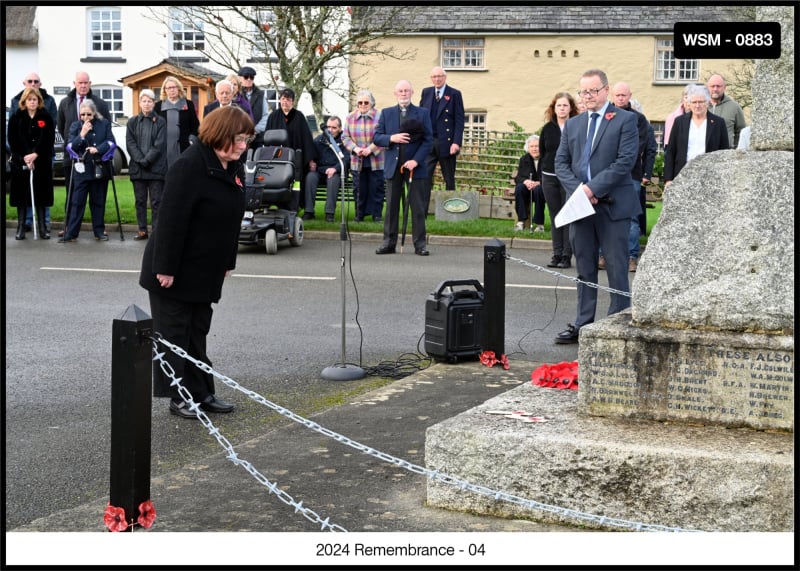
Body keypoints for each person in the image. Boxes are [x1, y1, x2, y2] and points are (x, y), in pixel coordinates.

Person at [138, 106, 254, 419]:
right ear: (220, 136)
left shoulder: (232, 167)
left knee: (197, 332)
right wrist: (165, 267)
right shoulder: (189, 166)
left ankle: (203, 393)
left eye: (246, 140)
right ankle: (178, 397)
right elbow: (170, 221)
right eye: (239, 139)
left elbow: (232, 219)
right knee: (174, 335)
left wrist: (228, 260)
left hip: (205, 270)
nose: (244, 146)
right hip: (174, 270)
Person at [554, 68, 639, 344]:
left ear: (605, 90)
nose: (587, 96)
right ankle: (583, 324)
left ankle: (619, 323)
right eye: (583, 92)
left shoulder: (625, 120)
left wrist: (593, 188)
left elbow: (625, 162)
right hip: (581, 206)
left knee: (616, 266)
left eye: (592, 91)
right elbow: (561, 163)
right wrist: (580, 191)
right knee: (585, 267)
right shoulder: (575, 124)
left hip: (613, 206)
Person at [373, 79, 433, 256]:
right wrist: (391, 138)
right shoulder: (386, 113)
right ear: (395, 94)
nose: (403, 94)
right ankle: (389, 243)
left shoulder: (422, 113)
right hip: (394, 166)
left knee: (417, 207)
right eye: (400, 91)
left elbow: (428, 140)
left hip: (416, 167)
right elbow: (377, 137)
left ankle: (420, 244)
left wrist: (416, 160)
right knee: (391, 207)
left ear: (412, 93)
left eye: (406, 91)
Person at [56, 71, 110, 235]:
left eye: (86, 82)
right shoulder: (66, 102)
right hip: (74, 157)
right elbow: (61, 125)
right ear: (75, 83)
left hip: (96, 161)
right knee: (73, 195)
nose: (83, 85)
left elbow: (106, 131)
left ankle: (99, 229)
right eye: (80, 83)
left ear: (90, 83)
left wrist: (98, 149)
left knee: (97, 197)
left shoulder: (99, 103)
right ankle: (69, 227)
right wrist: (76, 141)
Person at [59, 99, 116, 242]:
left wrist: (98, 149)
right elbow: (70, 146)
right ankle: (71, 233)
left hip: (98, 168)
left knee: (98, 202)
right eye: (83, 114)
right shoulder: (75, 126)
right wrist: (82, 134)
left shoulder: (104, 124)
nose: (86, 118)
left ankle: (99, 232)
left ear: (94, 113)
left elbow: (110, 142)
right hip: (81, 170)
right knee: (77, 202)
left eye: (89, 114)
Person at [609, 82, 652, 274]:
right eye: (617, 95)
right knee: (606, 215)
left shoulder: (638, 119)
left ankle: (631, 256)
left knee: (631, 217)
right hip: (607, 173)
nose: (620, 98)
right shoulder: (606, 115)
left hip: (631, 174)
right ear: (612, 95)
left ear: (629, 96)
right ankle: (605, 254)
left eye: (623, 95)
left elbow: (638, 145)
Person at [9, 72, 58, 233]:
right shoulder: (17, 117)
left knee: (41, 194)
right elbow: (13, 139)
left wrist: (36, 154)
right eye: (29, 99)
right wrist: (24, 156)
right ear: (24, 101)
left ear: (39, 101)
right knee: (22, 195)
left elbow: (48, 138)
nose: (32, 102)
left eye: (35, 99)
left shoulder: (45, 117)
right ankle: (21, 227)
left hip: (41, 161)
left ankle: (43, 227)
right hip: (21, 162)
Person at [539, 91, 579, 269]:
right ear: (553, 109)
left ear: (571, 108)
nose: (562, 109)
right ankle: (556, 254)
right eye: (559, 106)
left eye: (565, 105)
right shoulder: (548, 129)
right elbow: (542, 152)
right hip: (549, 177)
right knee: (555, 216)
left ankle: (566, 256)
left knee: (567, 216)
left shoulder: (577, 126)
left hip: (569, 177)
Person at [663, 84, 729, 188]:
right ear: (689, 104)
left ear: (707, 103)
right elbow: (671, 151)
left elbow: (725, 153)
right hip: (682, 174)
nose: (697, 105)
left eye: (701, 102)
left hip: (709, 176)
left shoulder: (718, 123)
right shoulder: (679, 122)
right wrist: (668, 179)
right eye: (694, 102)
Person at [265, 88, 318, 214]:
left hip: (296, 159)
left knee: (296, 183)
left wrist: (311, 160)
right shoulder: (273, 117)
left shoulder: (299, 117)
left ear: (292, 102)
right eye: (283, 99)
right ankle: (279, 206)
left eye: (288, 100)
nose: (285, 102)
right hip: (278, 158)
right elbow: (267, 138)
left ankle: (295, 206)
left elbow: (306, 139)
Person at [418, 66, 464, 210]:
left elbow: (459, 120)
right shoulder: (426, 92)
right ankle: (422, 212)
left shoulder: (454, 94)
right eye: (434, 77)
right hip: (428, 143)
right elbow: (421, 117)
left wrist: (456, 142)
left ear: (445, 77)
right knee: (425, 178)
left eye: (439, 76)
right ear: (431, 78)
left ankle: (451, 211)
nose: (437, 79)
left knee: (449, 179)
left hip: (447, 143)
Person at [126, 89, 167, 240]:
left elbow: (159, 144)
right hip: (138, 169)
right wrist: (140, 160)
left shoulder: (161, 122)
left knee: (157, 201)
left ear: (154, 103)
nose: (147, 104)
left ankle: (156, 231)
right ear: (139, 103)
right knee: (140, 201)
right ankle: (142, 230)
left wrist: (147, 160)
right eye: (144, 101)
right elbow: (130, 143)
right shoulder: (132, 122)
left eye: (149, 101)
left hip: (156, 169)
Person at [341, 89, 385, 222]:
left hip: (376, 159)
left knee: (376, 188)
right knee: (359, 189)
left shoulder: (380, 116)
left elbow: (384, 136)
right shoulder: (350, 117)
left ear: (371, 103)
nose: (363, 105)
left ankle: (376, 215)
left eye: (366, 102)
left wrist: (371, 149)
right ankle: (359, 215)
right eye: (360, 102)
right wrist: (356, 149)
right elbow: (345, 137)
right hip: (357, 159)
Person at [305, 116, 348, 222]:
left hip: (336, 172)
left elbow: (347, 160)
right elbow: (311, 154)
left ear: (340, 129)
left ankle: (329, 213)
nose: (330, 130)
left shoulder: (345, 141)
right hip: (321, 171)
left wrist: (335, 169)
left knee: (333, 179)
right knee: (310, 177)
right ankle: (309, 211)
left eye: (334, 127)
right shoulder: (319, 140)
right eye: (328, 127)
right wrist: (311, 162)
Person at [154, 76, 200, 169]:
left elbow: (196, 126)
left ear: (179, 88)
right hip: (165, 149)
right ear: (164, 90)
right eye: (169, 88)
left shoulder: (188, 104)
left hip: (184, 147)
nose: (172, 90)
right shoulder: (158, 106)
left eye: (174, 87)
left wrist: (191, 139)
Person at [509, 135, 544, 233]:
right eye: (531, 146)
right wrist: (526, 181)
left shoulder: (547, 158)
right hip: (528, 189)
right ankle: (521, 222)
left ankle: (540, 225)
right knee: (519, 188)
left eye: (536, 146)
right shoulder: (524, 159)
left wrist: (539, 182)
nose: (534, 149)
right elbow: (519, 177)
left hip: (543, 189)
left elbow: (551, 176)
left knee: (538, 190)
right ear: (528, 148)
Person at [706, 74, 747, 149]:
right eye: (712, 86)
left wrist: (735, 150)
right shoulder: (700, 106)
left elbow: (741, 132)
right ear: (707, 87)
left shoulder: (734, 107)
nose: (715, 89)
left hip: (726, 154)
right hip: (703, 154)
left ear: (724, 87)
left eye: (718, 86)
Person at [237, 66, 268, 148]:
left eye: (252, 77)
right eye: (246, 77)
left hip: (257, 138)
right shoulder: (236, 94)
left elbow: (265, 115)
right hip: (239, 137)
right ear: (240, 78)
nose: (249, 79)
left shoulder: (261, 94)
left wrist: (254, 130)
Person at [663, 83, 694, 148]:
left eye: (692, 97)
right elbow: (667, 145)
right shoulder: (672, 118)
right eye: (686, 97)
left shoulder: (701, 117)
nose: (688, 101)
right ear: (682, 99)